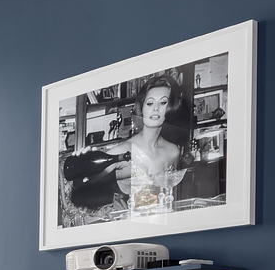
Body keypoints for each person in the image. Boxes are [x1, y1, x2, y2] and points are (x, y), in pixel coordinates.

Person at [61, 72, 187, 214]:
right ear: (142, 107)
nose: (155, 108)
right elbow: (82, 191)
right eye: (150, 103)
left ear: (172, 107)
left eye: (163, 102)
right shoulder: (121, 151)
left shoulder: (173, 151)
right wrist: (81, 167)